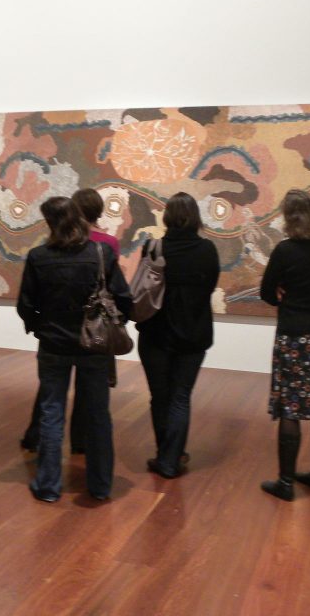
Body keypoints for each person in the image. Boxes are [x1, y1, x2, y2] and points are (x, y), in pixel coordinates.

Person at [17, 196, 132, 503]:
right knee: (97, 415)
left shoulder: (39, 256)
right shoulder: (100, 252)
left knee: (51, 413)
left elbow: (25, 305)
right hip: (93, 346)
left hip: (53, 345)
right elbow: (124, 298)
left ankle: (49, 486)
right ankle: (100, 485)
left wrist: (40, 328)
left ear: (51, 223)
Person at [259, 189, 310, 501]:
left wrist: (283, 292)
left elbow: (267, 293)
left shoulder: (285, 250)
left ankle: (285, 482)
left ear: (289, 217)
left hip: (295, 337)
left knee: (290, 410)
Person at [136, 192, 220, 478]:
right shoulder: (207, 250)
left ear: (167, 216)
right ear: (195, 217)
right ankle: (171, 458)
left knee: (159, 397)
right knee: (180, 397)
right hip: (193, 333)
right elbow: (209, 286)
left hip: (155, 334)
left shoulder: (153, 247)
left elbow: (141, 289)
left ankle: (166, 456)